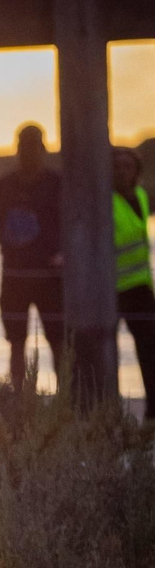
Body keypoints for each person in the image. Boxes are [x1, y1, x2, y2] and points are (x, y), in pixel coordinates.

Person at [0, 125, 64, 392]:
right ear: (17, 149)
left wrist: (61, 254)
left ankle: (65, 398)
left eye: (34, 146)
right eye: (24, 146)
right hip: (15, 275)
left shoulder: (57, 183)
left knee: (59, 339)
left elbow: (71, 225)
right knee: (16, 340)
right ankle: (20, 398)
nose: (28, 152)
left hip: (51, 277)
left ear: (43, 149)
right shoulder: (3, 186)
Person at [114, 146, 155, 415]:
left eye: (127, 166)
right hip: (112, 290)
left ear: (136, 171)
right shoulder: (105, 201)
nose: (122, 172)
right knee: (106, 349)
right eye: (117, 167)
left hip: (141, 287)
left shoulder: (140, 195)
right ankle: (109, 408)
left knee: (150, 350)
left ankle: (152, 410)